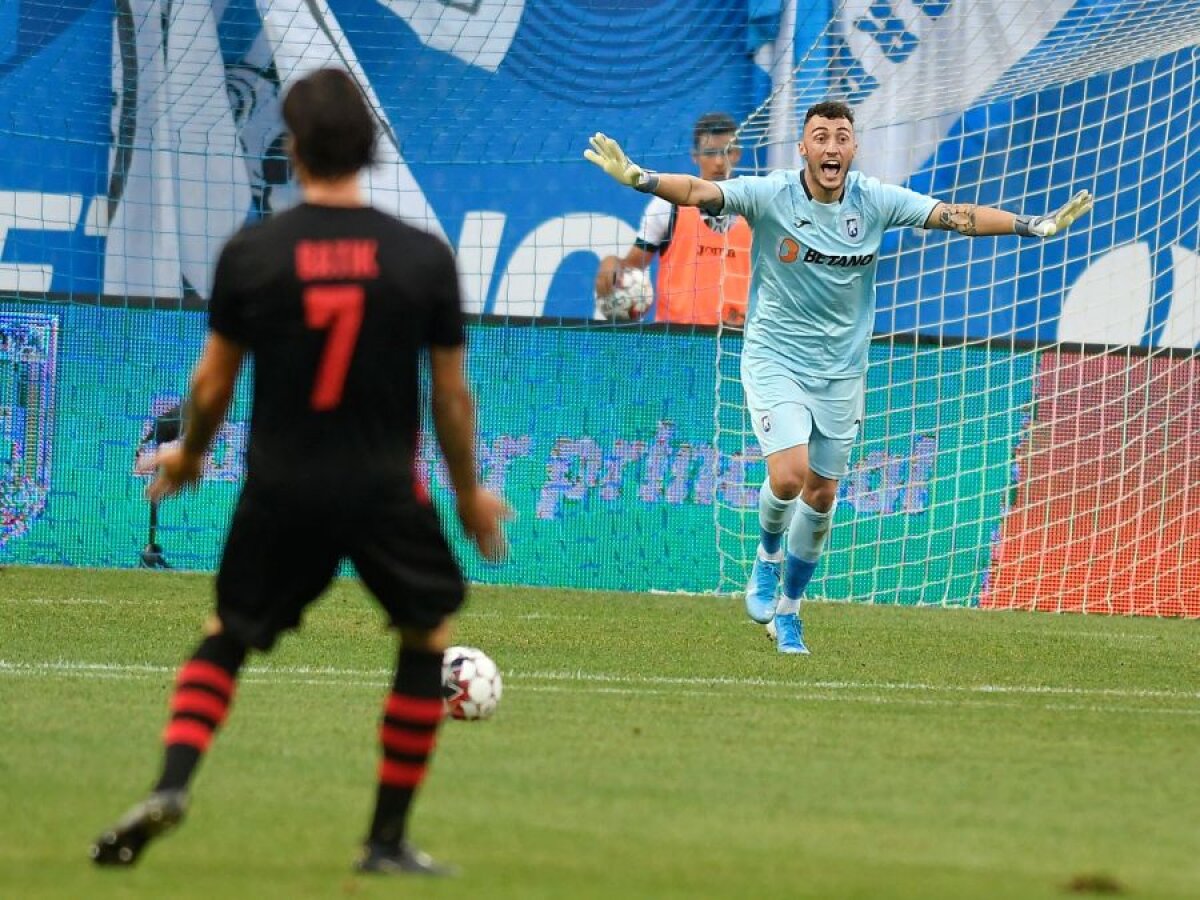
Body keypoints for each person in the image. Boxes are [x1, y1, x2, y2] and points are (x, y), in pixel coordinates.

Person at [90, 67, 510, 875]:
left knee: (228, 637)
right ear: (368, 148)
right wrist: (467, 495)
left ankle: (173, 785)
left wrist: (190, 454)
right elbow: (452, 398)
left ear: (292, 148)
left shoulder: (254, 253)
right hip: (385, 487)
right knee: (426, 635)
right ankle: (385, 840)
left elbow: (213, 382)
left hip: (281, 485)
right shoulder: (421, 258)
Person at [585, 100, 1092, 654]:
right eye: (820, 136)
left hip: (842, 371)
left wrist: (1030, 225)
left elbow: (956, 215)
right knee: (788, 476)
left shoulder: (874, 200)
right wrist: (640, 177)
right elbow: (700, 193)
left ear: (852, 149)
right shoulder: (770, 193)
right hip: (774, 357)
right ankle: (766, 556)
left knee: (823, 495)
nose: (831, 146)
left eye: (841, 137)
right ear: (803, 148)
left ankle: (791, 611)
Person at [594, 112, 751, 327]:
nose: (718, 162)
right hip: (675, 340)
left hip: (739, 342)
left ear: (737, 154)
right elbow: (634, 264)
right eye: (710, 152)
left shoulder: (754, 207)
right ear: (695, 155)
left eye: (726, 152)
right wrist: (611, 262)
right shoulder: (668, 206)